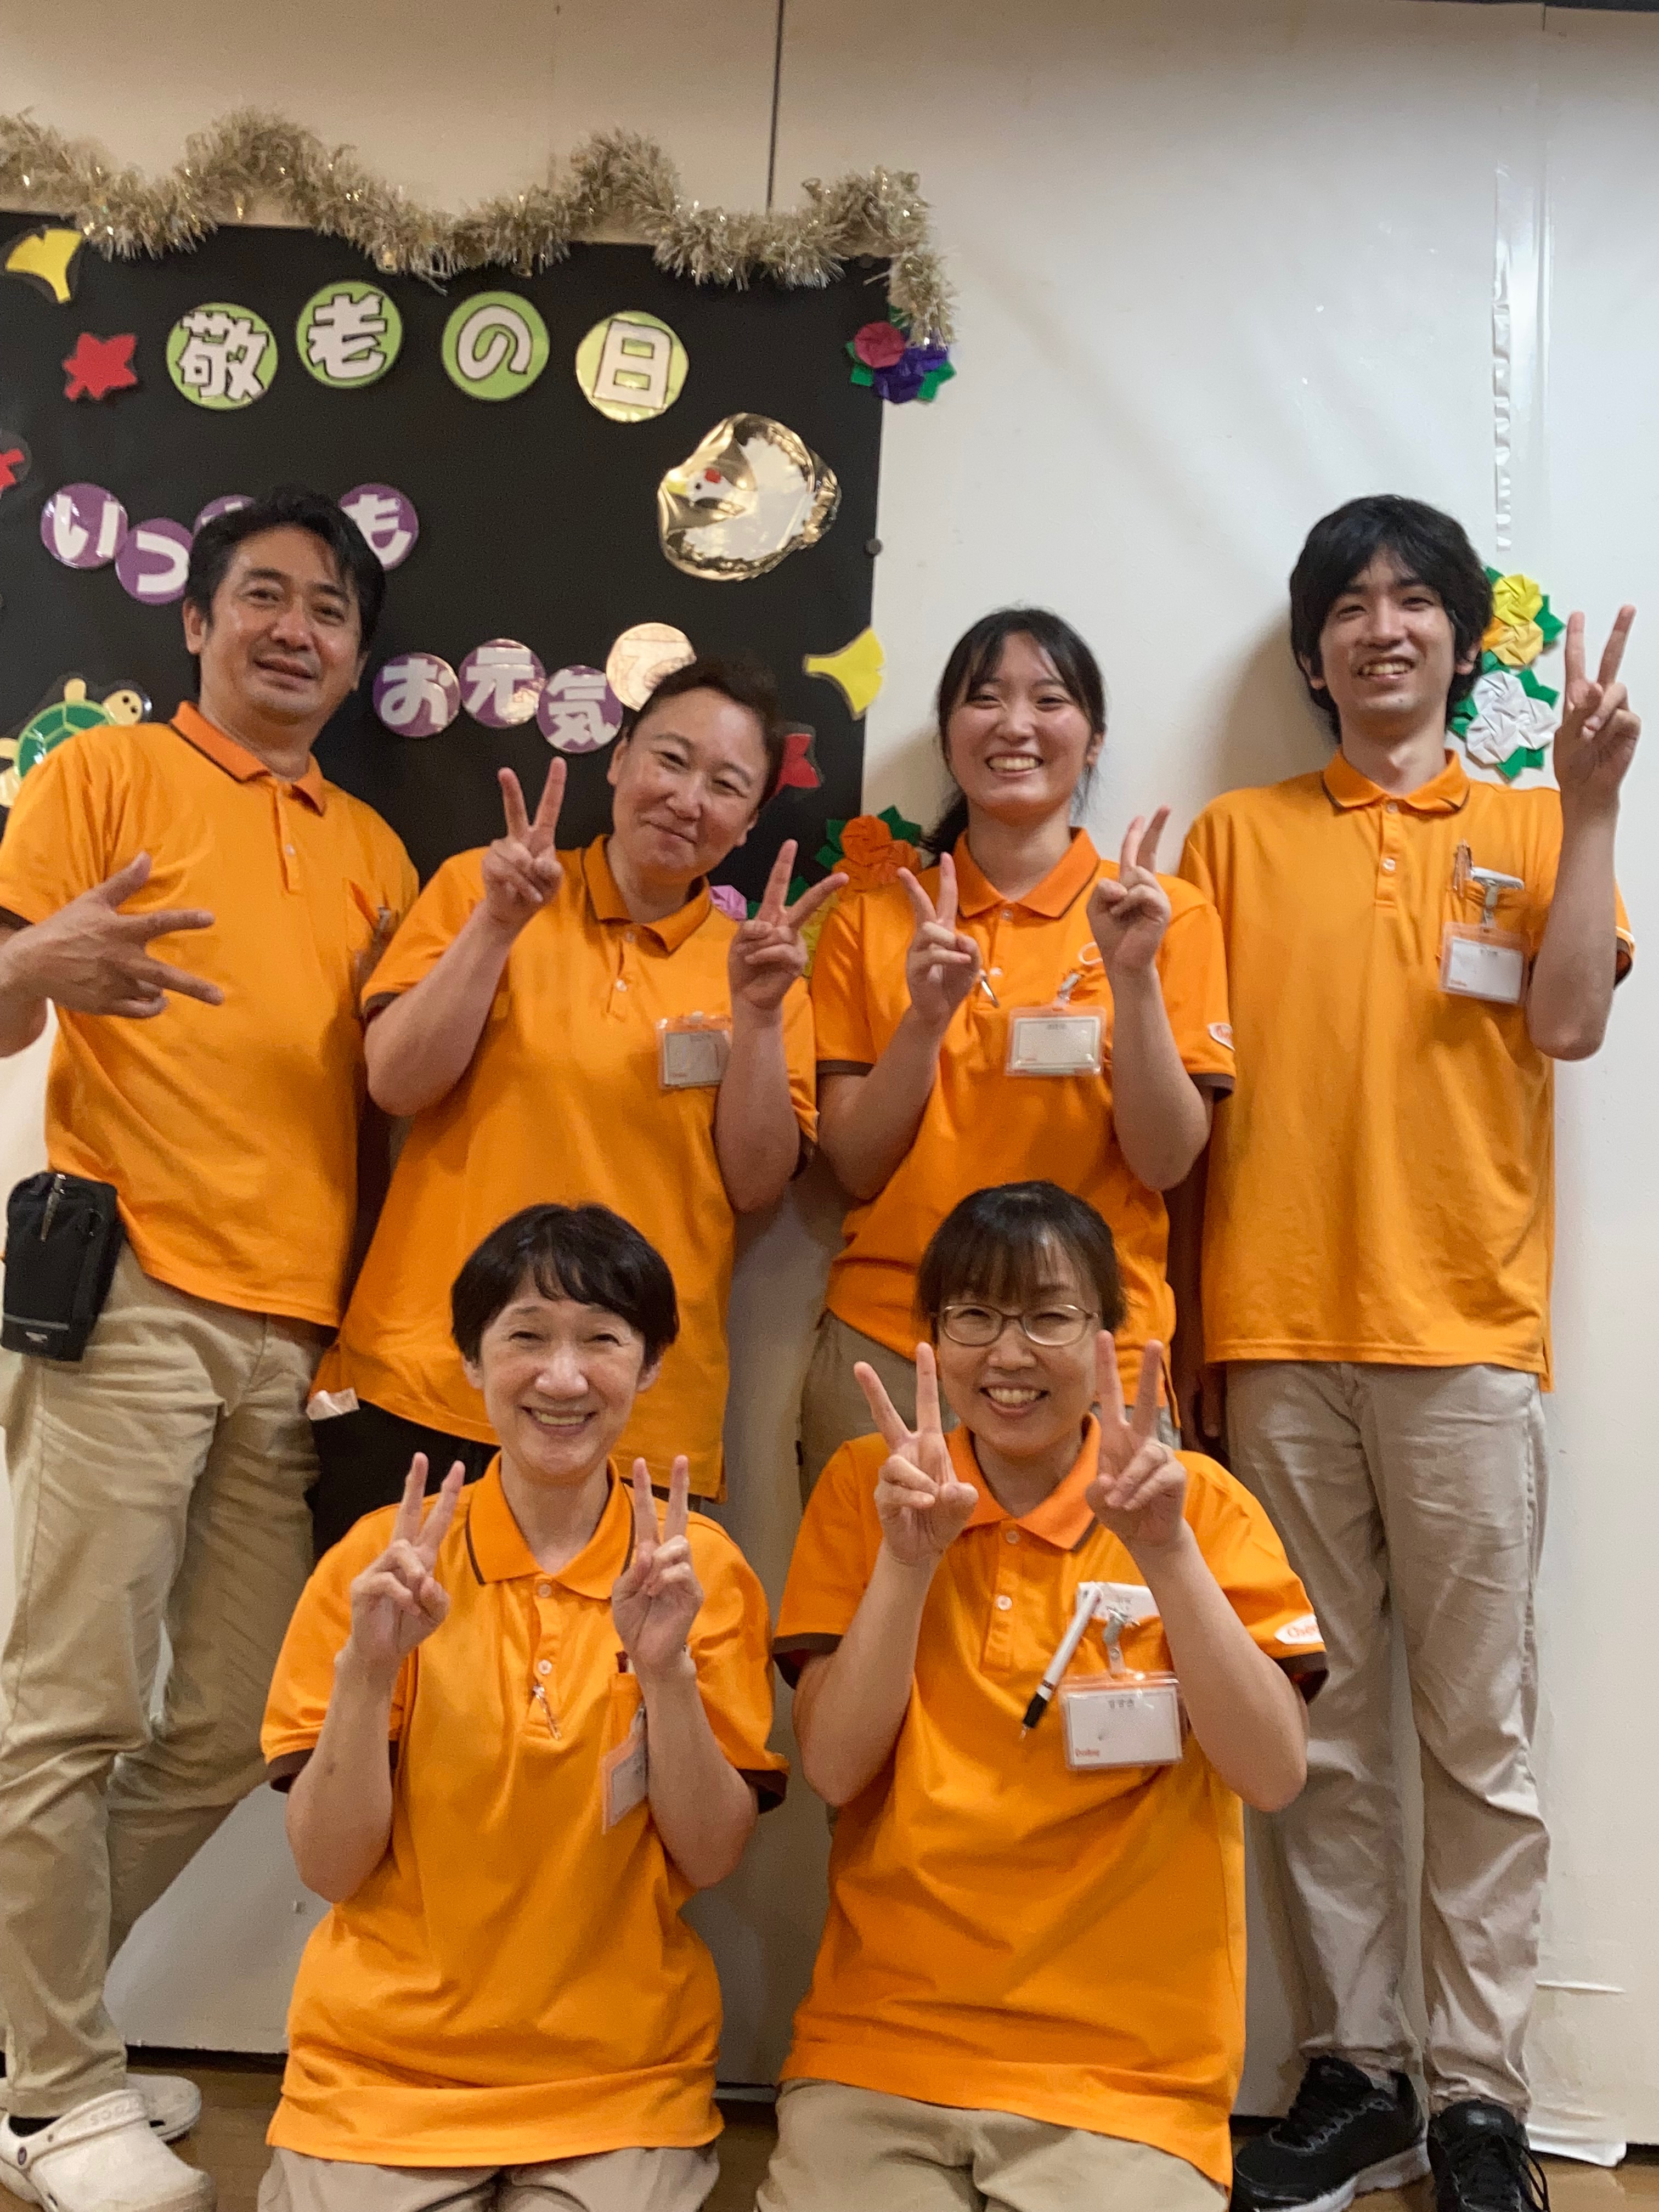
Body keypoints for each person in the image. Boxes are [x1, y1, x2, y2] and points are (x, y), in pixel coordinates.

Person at [1176, 495, 1638, 2212]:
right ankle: (1358, 2072)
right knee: (1329, 1732)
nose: (1383, 626)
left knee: (1478, 1738)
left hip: (1466, 1338)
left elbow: (1572, 1021)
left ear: (1459, 636)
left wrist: (1594, 805)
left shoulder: (1531, 819)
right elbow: (1187, 1101)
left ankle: (1484, 2101)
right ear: (1315, 653)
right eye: (1351, 605)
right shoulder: (1233, 838)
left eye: (1414, 600)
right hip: (1277, 1333)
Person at [0, 489, 415, 2211]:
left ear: (361, 654)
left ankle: (29, 2036)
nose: (296, 629)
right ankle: (53, 2090)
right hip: (132, 1295)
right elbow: (8, 999)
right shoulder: (104, 775)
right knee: (67, 1707)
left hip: (295, 1338)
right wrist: (37, 958)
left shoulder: (378, 850)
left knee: (245, 1713)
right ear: (196, 619)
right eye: (264, 596)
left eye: (331, 608)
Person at [763, 1181, 1324, 2211]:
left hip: (1126, 2075)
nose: (1008, 1354)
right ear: (932, 1338)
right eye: (973, 1316)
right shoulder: (871, 1486)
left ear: (1109, 1333)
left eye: (1049, 1317)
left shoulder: (1195, 1504)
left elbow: (1275, 1774)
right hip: (884, 2047)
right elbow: (835, 1771)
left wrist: (1167, 1553)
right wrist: (907, 1562)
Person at [257, 1202, 785, 2211]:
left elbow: (712, 1855)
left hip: (619, 2076)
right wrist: (367, 1673)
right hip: (382, 2073)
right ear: (471, 1360)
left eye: (602, 1340)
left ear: (651, 1365)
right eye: (527, 1337)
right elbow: (328, 1866)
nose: (563, 1377)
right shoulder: (381, 1560)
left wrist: (667, 1673)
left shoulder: (699, 1571)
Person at [307, 655, 834, 1551]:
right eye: (671, 759)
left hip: (634, 1414)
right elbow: (395, 1082)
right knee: (385, 1640)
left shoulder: (761, 969)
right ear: (620, 759)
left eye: (726, 785)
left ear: (749, 822)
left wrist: (754, 1014)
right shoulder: (484, 887)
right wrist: (497, 926)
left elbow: (755, 1185)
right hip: (431, 1379)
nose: (688, 799)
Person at [799, 607, 1234, 1496]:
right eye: (985, 699)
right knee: (881, 1588)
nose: (1015, 724)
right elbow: (854, 1163)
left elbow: (1165, 1160)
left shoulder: (1164, 913)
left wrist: (1134, 977)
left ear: (1094, 737)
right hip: (897, 1337)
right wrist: (923, 1020)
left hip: (1098, 1345)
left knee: (1104, 1592)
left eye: (1050, 700)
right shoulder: (872, 918)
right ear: (948, 735)